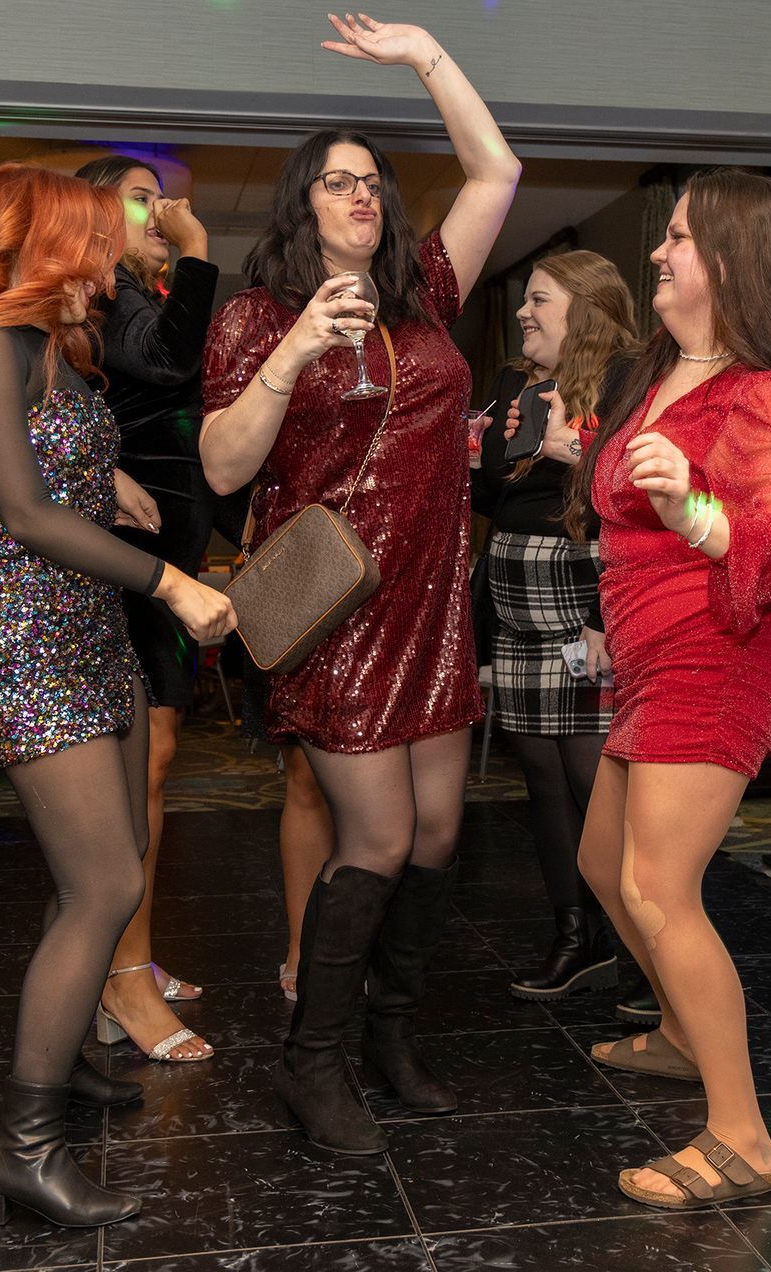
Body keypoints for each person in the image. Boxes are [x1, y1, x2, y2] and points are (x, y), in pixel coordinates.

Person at [0, 161, 235, 1228]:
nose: (118, 246)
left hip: (86, 625)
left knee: (107, 864)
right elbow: (19, 513)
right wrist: (172, 582)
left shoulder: (58, 349)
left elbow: (46, 470)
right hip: (24, 634)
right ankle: (23, 1147)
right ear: (49, 238)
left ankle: (68, 1067)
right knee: (103, 887)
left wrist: (108, 482)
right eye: (99, 229)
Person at [198, 13, 519, 1155]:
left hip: (431, 605)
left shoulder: (423, 291)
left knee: (436, 833)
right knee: (375, 836)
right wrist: (291, 357)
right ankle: (312, 1064)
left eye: (374, 180)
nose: (363, 195)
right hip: (332, 611)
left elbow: (498, 169)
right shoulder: (253, 317)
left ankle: (388, 1036)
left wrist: (427, 56)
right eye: (338, 182)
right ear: (302, 204)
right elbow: (223, 466)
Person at [567, 169, 771, 1209]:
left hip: (727, 649)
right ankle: (674, 1029)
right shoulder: (663, 368)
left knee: (659, 889)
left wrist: (693, 503)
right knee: (604, 864)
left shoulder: (765, 392)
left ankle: (744, 1140)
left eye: (677, 240)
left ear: (733, 262)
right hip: (656, 650)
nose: (657, 254)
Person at [74, 153, 222, 1062]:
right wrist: (202, 253)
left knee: (156, 763)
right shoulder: (102, 299)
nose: (163, 209)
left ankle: (134, 956)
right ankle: (122, 976)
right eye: (141, 197)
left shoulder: (134, 292)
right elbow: (169, 365)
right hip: (131, 552)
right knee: (143, 762)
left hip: (172, 539)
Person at [473, 250, 641, 1001]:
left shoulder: (630, 382)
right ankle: (576, 937)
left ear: (585, 307)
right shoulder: (515, 381)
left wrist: (573, 451)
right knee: (541, 780)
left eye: (538, 299)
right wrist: (483, 449)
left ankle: (639, 944)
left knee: (593, 780)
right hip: (515, 611)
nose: (522, 312)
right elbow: (493, 502)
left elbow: (634, 502)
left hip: (585, 608)